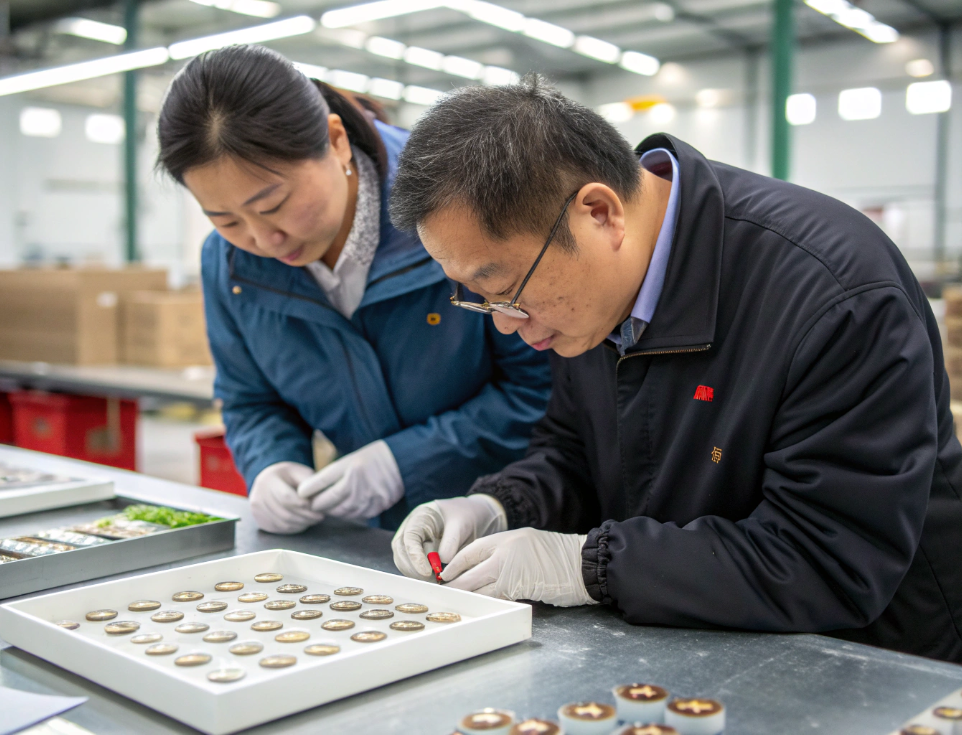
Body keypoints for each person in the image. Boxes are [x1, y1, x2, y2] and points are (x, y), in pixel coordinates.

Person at [388, 75, 962, 663]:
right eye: (479, 299)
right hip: (697, 645)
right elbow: (574, 453)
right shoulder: (584, 300)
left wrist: (589, 567)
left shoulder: (834, 295)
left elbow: (829, 560)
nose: (506, 324)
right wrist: (499, 507)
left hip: (873, 666)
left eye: (506, 290)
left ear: (600, 213)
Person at [155, 46, 551, 533]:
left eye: (273, 205)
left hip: (511, 518)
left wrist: (403, 462)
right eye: (225, 220)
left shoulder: (461, 210)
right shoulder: (229, 264)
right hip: (371, 537)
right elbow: (251, 398)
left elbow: (539, 388)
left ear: (336, 140)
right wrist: (272, 462)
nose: (263, 239)